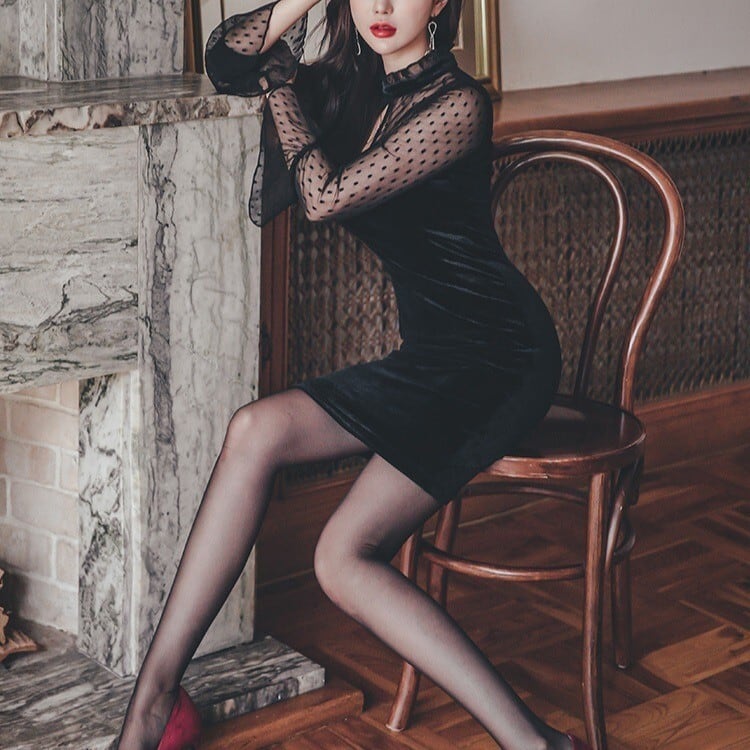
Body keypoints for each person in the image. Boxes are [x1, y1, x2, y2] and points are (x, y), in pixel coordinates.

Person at [115, 0, 592, 748]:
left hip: (500, 359)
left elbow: (325, 196)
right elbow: (226, 57)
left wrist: (279, 87)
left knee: (339, 559)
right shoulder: (347, 89)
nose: (382, 5)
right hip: (429, 359)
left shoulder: (459, 105)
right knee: (255, 430)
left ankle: (537, 744)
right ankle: (154, 704)